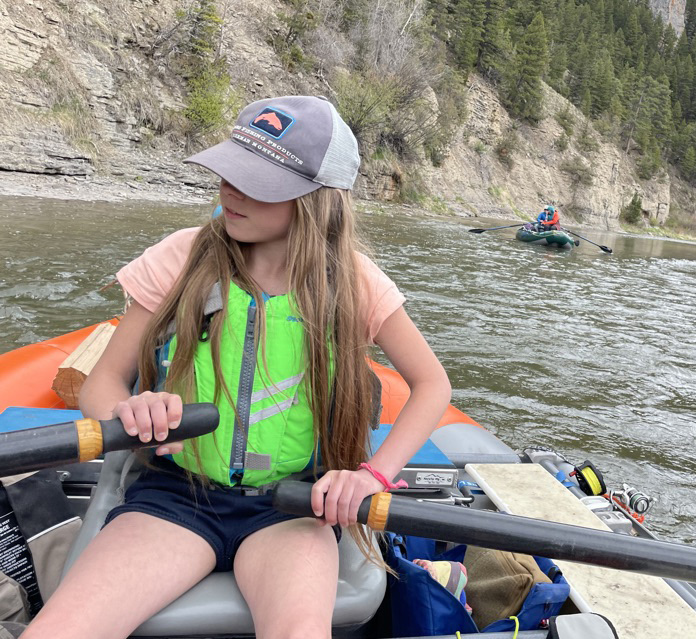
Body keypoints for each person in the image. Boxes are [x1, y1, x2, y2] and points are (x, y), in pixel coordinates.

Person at [21, 96, 452, 639]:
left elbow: (433, 384)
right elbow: (102, 384)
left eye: (256, 183)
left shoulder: (356, 283)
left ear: (317, 199)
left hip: (293, 507)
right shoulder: (180, 258)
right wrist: (130, 412)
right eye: (230, 172)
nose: (230, 190)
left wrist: (371, 477)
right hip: (176, 497)